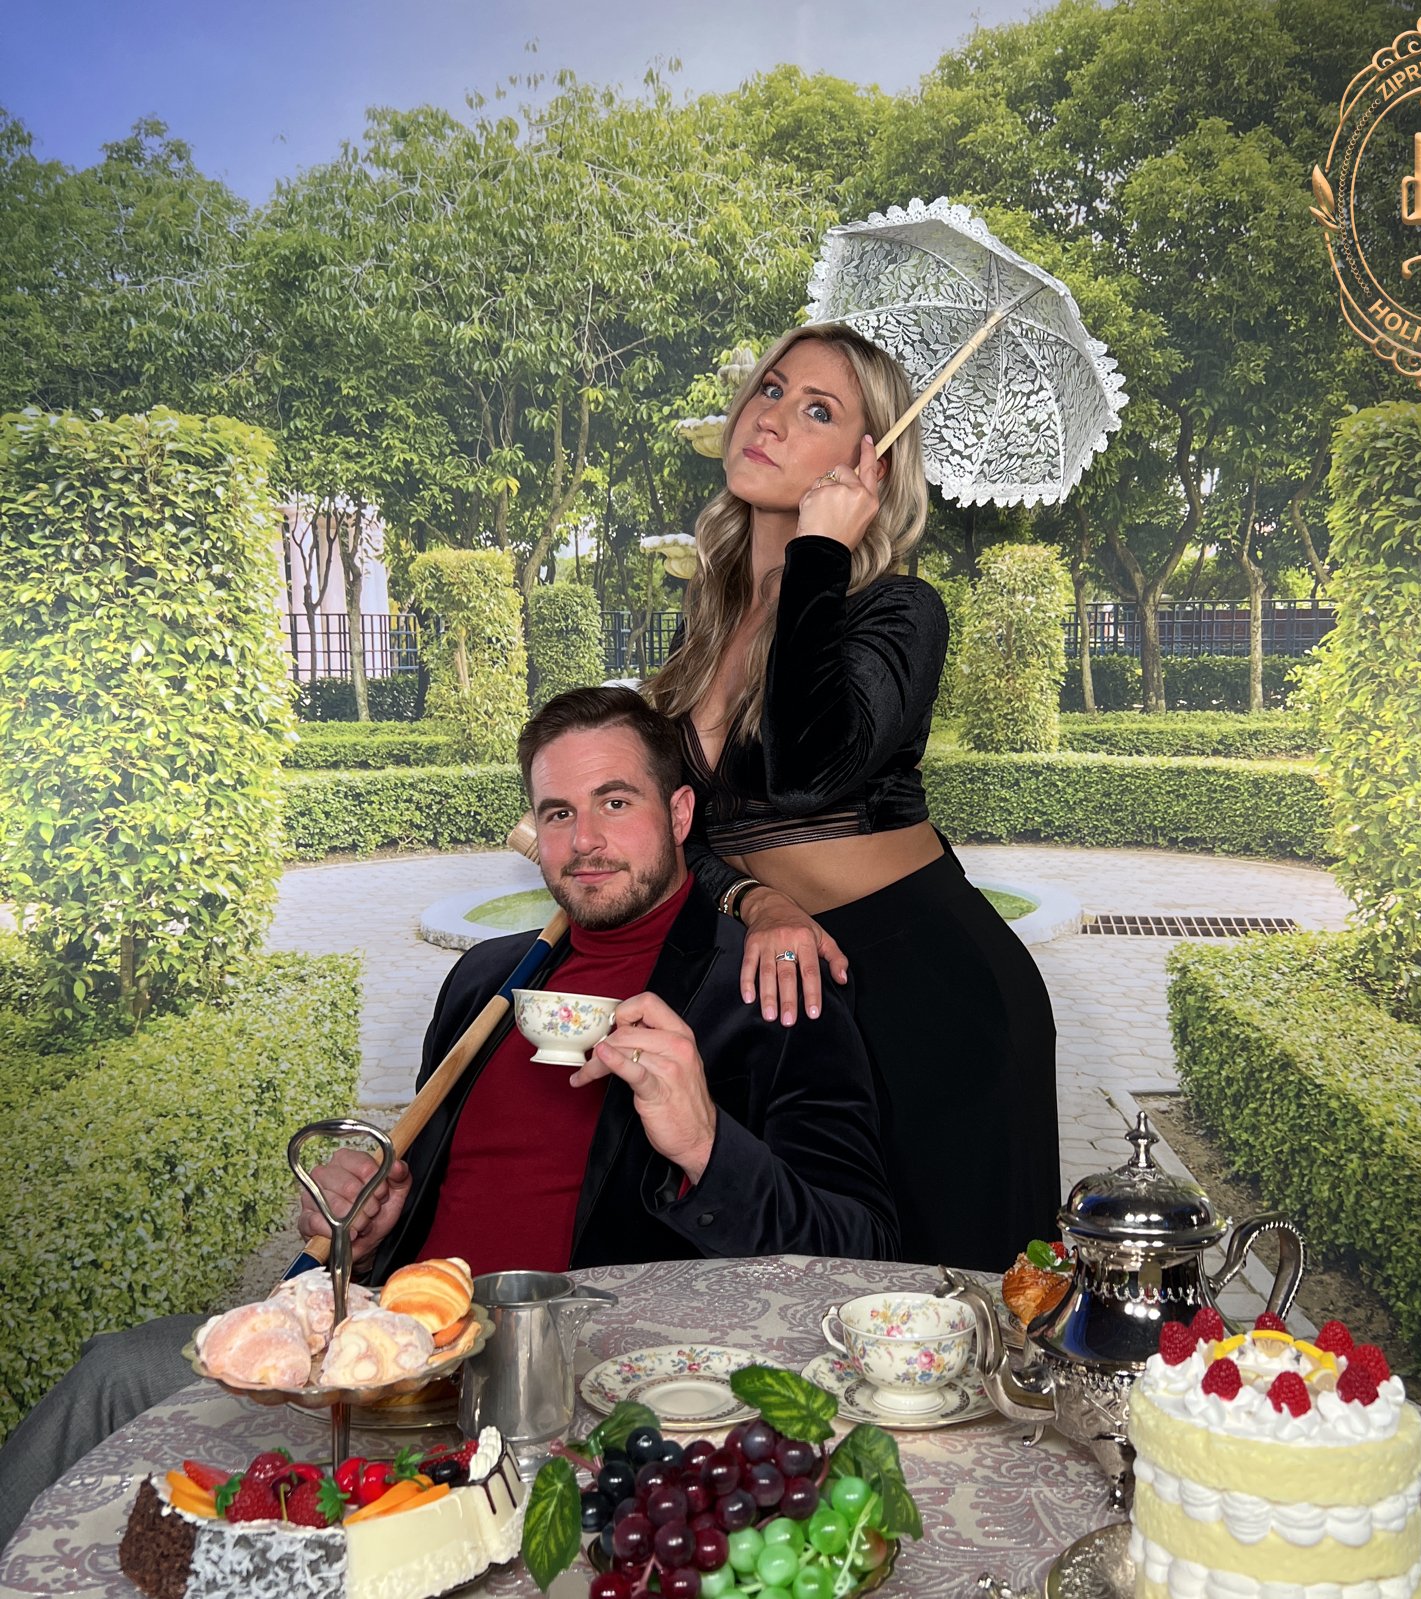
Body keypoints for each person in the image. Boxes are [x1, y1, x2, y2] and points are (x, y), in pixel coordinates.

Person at [0, 686, 895, 1551]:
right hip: (394, 1359)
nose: (583, 840)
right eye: (556, 812)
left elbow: (859, 1251)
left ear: (680, 813)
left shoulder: (765, 985)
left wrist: (704, 1145)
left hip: (567, 1384)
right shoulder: (487, 980)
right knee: (114, 1373)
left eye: (614, 801)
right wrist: (364, 1226)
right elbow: (420, 1203)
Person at [647, 321, 1061, 1270]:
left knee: (955, 1300)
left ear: (867, 464)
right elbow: (686, 835)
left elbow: (809, 768)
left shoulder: (899, 611)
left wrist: (819, 556)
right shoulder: (701, 632)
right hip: (791, 988)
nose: (770, 418)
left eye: (817, 410)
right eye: (771, 389)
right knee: (817, 1289)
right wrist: (755, 899)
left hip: (929, 993)